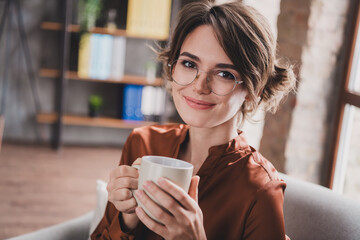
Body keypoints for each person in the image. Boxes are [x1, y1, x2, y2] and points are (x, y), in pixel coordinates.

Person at [91, 1, 296, 239]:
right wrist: (127, 218)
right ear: (173, 66)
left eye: (224, 74)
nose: (199, 87)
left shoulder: (261, 189)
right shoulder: (143, 144)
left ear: (254, 89)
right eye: (189, 64)